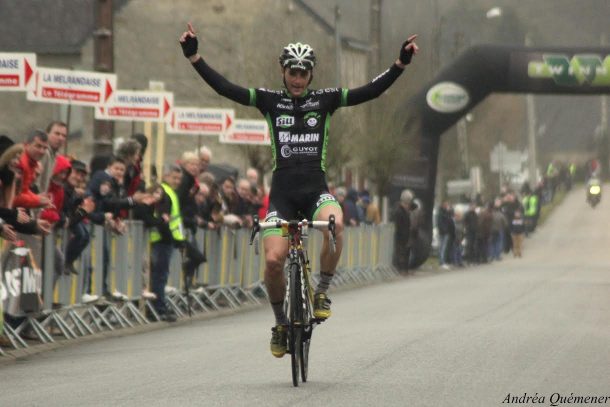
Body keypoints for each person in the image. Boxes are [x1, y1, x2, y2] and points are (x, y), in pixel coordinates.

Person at [180, 23, 419, 358]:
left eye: (303, 73)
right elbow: (226, 88)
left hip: (315, 191)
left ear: (310, 75)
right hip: (281, 194)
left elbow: (370, 91)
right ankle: (280, 324)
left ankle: (321, 291)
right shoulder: (269, 101)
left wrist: (399, 65)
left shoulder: (325, 100)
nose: (297, 78)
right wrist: (194, 58)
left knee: (335, 224)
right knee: (275, 261)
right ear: (283, 71)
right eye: (292, 72)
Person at [148, 164, 187, 322]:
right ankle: (158, 308)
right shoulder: (164, 192)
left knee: (161, 275)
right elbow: (164, 219)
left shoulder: (171, 192)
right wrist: (173, 237)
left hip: (167, 239)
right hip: (162, 239)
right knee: (159, 275)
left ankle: (158, 306)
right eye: (174, 177)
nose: (177, 181)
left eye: (179, 179)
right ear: (165, 176)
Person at [391, 189, 413, 274]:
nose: (409, 205)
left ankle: (404, 269)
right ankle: (400, 269)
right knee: (400, 253)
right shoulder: (399, 211)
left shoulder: (405, 211)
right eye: (408, 203)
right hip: (400, 236)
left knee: (405, 253)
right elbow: (398, 225)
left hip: (405, 235)